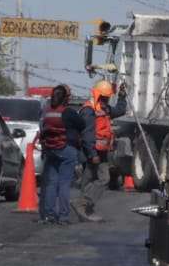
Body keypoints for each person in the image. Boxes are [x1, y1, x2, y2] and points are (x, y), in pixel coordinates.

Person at [72, 80, 128, 223]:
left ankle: (85, 210)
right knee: (104, 179)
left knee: (88, 180)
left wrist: (122, 96)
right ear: (98, 95)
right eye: (104, 97)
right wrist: (92, 154)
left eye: (107, 97)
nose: (106, 99)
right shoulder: (89, 110)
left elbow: (120, 110)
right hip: (92, 152)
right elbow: (87, 134)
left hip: (100, 152)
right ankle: (82, 203)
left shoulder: (104, 108)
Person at [37, 84, 86, 225]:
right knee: (64, 184)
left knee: (51, 183)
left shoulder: (46, 111)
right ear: (65, 98)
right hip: (66, 150)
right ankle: (64, 217)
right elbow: (82, 124)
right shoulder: (68, 112)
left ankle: (48, 215)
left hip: (50, 150)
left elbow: (42, 128)